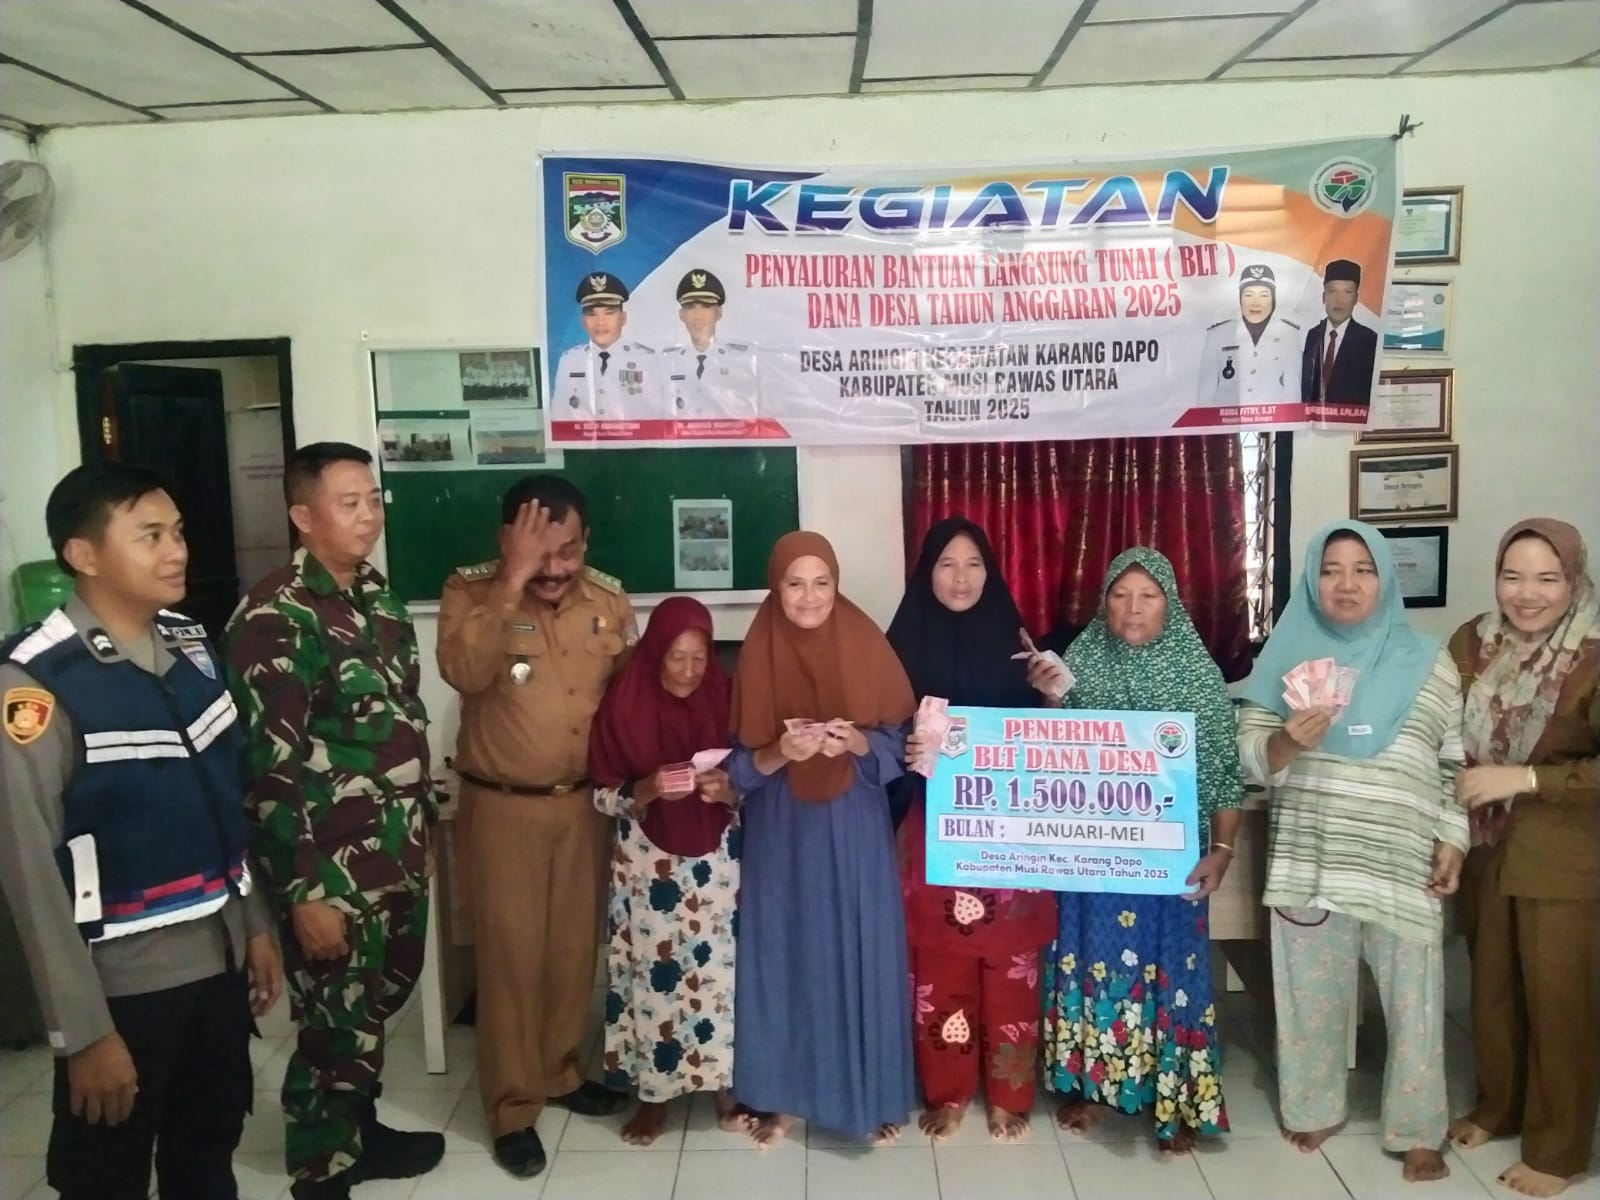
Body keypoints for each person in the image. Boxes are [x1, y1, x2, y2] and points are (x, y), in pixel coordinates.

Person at [0, 463, 280, 1200]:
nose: (177, 550)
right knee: (106, 1176)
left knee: (207, 1155)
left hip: (217, 963)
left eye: (178, 532)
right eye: (150, 536)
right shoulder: (36, 681)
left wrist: (254, 923)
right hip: (120, 987)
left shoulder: (191, 646)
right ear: (83, 555)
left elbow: (224, 798)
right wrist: (82, 1031)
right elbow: (29, 872)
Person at [225, 443, 442, 1200]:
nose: (368, 515)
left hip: (395, 851)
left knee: (374, 1006)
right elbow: (267, 773)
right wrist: (303, 893)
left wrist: (421, 833)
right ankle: (320, 1170)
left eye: (373, 499)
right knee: (333, 1023)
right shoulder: (275, 616)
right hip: (331, 870)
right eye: (349, 503)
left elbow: (403, 723)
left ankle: (359, 1132)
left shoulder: (376, 597)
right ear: (302, 515)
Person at [1237, 520, 1467, 1185]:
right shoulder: (1286, 659)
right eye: (1331, 569)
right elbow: (1246, 756)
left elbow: (1456, 761)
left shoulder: (1430, 662)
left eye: (1363, 569)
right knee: (1309, 995)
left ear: (1385, 579)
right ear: (1312, 580)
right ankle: (1313, 1106)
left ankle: (1417, 1128)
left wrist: (1453, 838)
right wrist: (1287, 742)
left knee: (1416, 1002)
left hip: (1404, 865)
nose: (1346, 583)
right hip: (1312, 858)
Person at [435, 474, 636, 1178]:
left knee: (572, 951)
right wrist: (511, 581)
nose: (555, 568)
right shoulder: (470, 593)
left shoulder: (608, 601)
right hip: (504, 807)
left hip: (584, 806)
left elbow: (633, 697)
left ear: (587, 542)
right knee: (511, 958)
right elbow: (463, 670)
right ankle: (512, 1107)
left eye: (568, 550)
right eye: (538, 553)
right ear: (507, 542)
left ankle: (560, 1071)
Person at [1043, 548, 1244, 1154]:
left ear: (1170, 604)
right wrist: (1051, 699)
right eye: (1120, 594)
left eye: (1148, 596)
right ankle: (1097, 1088)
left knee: (1172, 974)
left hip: (1168, 863)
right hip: (1093, 861)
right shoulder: (1081, 661)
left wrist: (1223, 849)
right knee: (1094, 965)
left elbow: (1224, 776)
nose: (1132, 608)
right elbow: (1049, 751)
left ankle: (1175, 1099)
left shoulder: (1197, 675)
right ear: (1103, 602)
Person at [726, 531, 918, 1146]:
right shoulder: (757, 650)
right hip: (782, 832)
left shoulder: (864, 640)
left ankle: (874, 1095)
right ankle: (781, 1097)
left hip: (853, 823)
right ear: (776, 587)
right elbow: (735, 770)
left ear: (836, 584)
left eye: (821, 582)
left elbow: (901, 744)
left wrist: (856, 741)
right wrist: (781, 752)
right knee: (785, 954)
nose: (809, 597)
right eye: (794, 583)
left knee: (862, 950)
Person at [887, 518, 1063, 1143]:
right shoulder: (897, 648)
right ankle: (949, 1091)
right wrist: (903, 747)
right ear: (926, 572)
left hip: (1006, 833)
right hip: (930, 829)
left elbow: (1050, 747)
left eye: (973, 565)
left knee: (1012, 963)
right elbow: (876, 734)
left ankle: (1010, 1094)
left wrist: (1051, 697)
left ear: (990, 572)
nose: (960, 578)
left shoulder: (1020, 650)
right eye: (946, 564)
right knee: (939, 965)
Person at [1447, 518, 1599, 1199]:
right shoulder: (1474, 640)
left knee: (1561, 1003)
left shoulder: (1592, 653)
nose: (1527, 594)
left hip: (1565, 858)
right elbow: (1444, 729)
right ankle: (1496, 1108)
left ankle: (1558, 1150)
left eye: (1547, 578)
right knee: (1492, 990)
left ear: (1574, 580)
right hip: (1486, 846)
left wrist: (1526, 777)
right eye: (1513, 576)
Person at [588, 596, 745, 1145]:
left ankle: (726, 1085)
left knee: (721, 977)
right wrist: (647, 788)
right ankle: (654, 1095)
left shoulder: (725, 699)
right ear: (656, 652)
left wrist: (730, 791)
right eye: (677, 657)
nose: (688, 670)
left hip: (716, 863)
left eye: (700, 657)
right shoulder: (624, 703)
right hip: (648, 867)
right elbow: (601, 796)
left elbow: (753, 783)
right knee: (656, 977)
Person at [553, 271, 659, 421]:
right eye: (592, 314)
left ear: (623, 318)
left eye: (609, 313)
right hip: (584, 436)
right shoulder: (569, 361)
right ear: (584, 321)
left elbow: (657, 415)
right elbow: (559, 415)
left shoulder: (646, 359)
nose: (600, 322)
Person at [1198, 263, 1302, 409]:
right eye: (1248, 295)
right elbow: (1205, 393)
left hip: (1273, 418)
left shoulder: (1289, 334)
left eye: (1264, 295)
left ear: (1273, 298)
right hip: (1229, 418)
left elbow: (1293, 391)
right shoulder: (1217, 335)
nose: (1255, 303)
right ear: (1240, 297)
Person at [662, 269, 759, 420]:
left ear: (719, 312)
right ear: (682, 315)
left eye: (706, 306)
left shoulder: (744, 360)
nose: (698, 315)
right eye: (690, 307)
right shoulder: (666, 361)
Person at [1301, 258, 1379, 408]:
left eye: (1347, 292)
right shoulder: (1313, 335)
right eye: (1332, 291)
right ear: (1323, 297)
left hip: (1349, 420)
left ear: (1356, 298)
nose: (1339, 300)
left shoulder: (1368, 340)